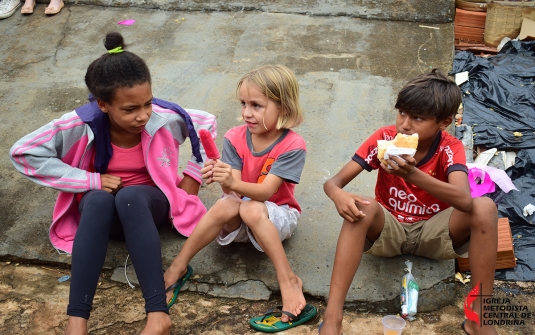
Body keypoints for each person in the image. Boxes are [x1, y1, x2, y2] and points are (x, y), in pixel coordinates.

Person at [10, 32, 216, 335]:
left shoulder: (164, 117)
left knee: (129, 196)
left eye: (146, 103)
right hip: (103, 216)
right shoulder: (80, 123)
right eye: (130, 109)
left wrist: (192, 176)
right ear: (103, 104)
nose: (143, 115)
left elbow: (206, 122)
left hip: (146, 207)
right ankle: (77, 321)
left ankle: (157, 314)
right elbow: (23, 152)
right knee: (96, 198)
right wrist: (89, 179)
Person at [319, 69, 498, 335]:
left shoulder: (449, 147)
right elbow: (332, 183)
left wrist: (412, 174)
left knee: (485, 207)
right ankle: (333, 318)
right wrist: (339, 196)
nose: (404, 124)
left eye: (417, 118)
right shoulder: (385, 138)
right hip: (388, 231)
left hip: (434, 234)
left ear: (444, 122)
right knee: (362, 206)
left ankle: (478, 319)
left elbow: (463, 200)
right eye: (402, 112)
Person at [164, 64, 315, 330]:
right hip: (243, 215)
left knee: (251, 209)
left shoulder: (292, 145)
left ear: (284, 109)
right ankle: (178, 266)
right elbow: (231, 193)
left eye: (257, 105)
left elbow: (267, 192)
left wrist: (233, 181)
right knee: (228, 206)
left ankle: (288, 280)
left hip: (278, 215)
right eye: (244, 104)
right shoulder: (234, 137)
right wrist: (223, 178)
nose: (246, 113)